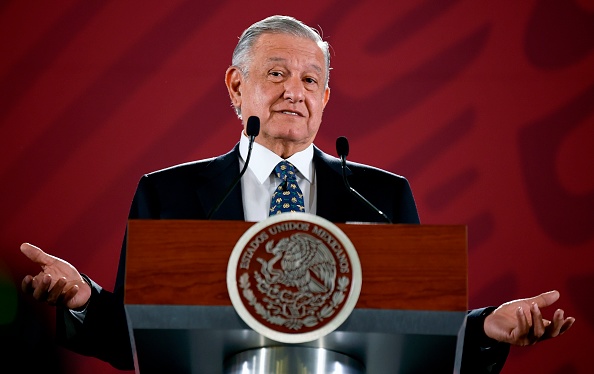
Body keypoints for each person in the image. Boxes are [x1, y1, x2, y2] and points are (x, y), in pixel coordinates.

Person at [20, 15, 575, 373]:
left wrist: (487, 328)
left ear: (327, 96)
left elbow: (420, 334)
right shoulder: (169, 193)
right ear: (237, 87)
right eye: (277, 73)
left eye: (310, 80)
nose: (294, 91)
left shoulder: (380, 197)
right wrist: (84, 300)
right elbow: (132, 339)